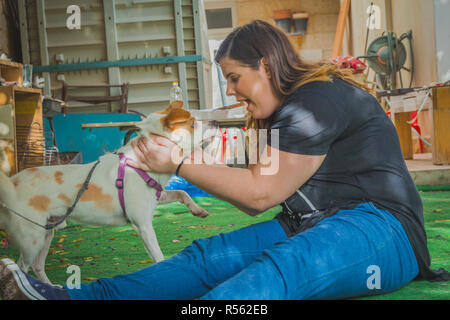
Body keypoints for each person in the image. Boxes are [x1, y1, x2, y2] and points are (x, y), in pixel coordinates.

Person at [0, 20, 448, 300]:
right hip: (314, 222)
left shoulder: (317, 101)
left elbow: (260, 194)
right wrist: (183, 165)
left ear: (266, 67)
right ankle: (65, 298)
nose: (231, 91)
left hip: (383, 228)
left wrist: (176, 163)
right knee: (205, 257)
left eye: (234, 78)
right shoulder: (284, 113)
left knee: (278, 270)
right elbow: (252, 188)